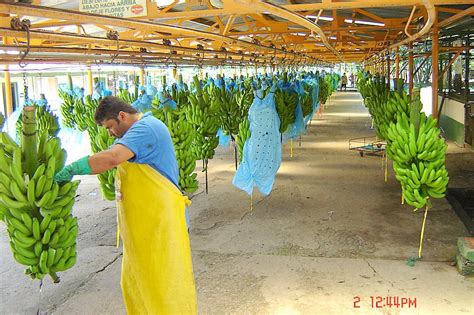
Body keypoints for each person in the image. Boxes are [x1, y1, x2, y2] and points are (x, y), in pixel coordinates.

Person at [54, 96, 197, 314]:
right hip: (144, 228)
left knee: (164, 286)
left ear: (122, 115)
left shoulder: (146, 129)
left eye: (110, 127)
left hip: (161, 223)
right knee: (139, 284)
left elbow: (112, 158)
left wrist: (73, 168)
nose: (110, 133)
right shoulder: (133, 133)